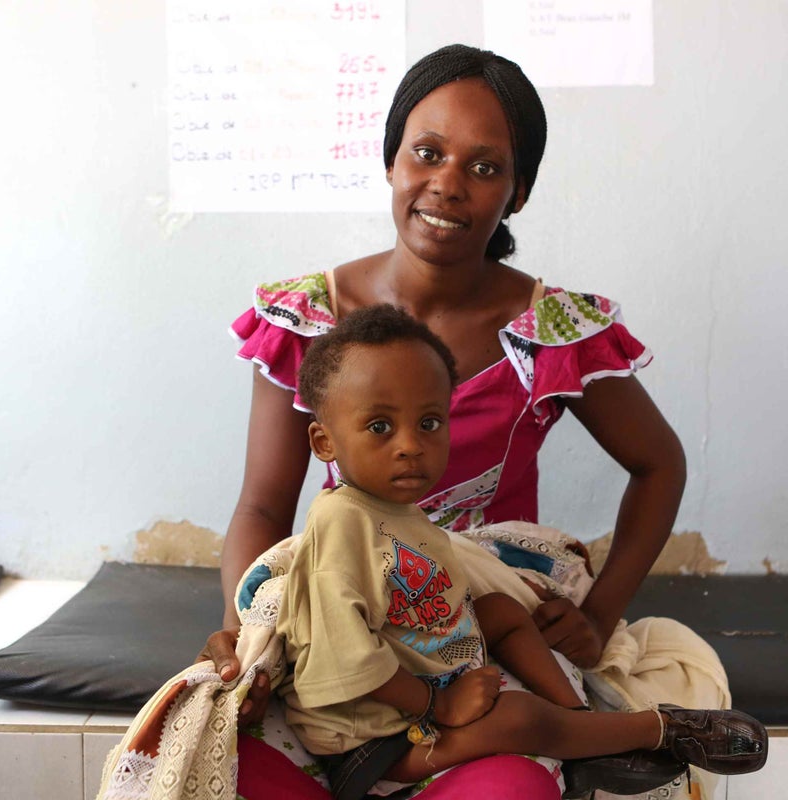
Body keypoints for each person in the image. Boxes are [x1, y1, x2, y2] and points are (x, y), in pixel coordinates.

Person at [203, 43, 730, 798]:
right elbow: (261, 505)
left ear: (517, 193)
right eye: (428, 153)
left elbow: (660, 465)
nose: (447, 185)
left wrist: (602, 615)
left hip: (481, 626)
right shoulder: (307, 320)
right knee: (222, 759)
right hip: (347, 600)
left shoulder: (552, 328)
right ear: (391, 161)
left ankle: (577, 740)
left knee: (513, 782)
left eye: (485, 168)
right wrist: (242, 635)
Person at [274, 303, 766, 800]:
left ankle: (580, 729)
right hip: (373, 738)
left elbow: (419, 596)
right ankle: (658, 730)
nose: (410, 446)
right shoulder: (340, 523)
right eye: (380, 427)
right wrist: (439, 705)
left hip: (419, 664)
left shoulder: (395, 510)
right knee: (519, 716)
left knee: (502, 611)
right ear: (324, 441)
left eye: (429, 423)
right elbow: (345, 662)